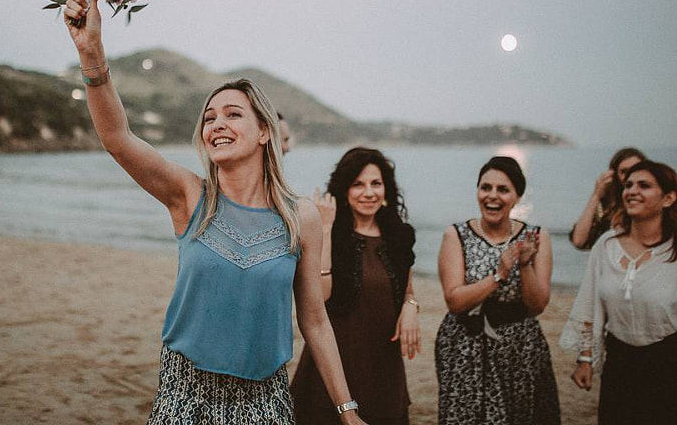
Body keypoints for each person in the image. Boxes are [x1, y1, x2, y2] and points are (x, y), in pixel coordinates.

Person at [63, 0, 367, 425]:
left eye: (233, 114)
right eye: (210, 117)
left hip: (265, 402)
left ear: (265, 132)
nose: (217, 124)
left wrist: (348, 410)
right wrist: (92, 54)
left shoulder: (299, 217)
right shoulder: (190, 197)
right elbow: (117, 138)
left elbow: (315, 321)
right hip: (186, 396)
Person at [290, 147, 419, 424]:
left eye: (376, 183)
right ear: (344, 190)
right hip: (337, 362)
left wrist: (411, 307)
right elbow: (321, 296)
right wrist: (325, 227)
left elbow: (407, 291)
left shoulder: (399, 234)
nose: (369, 193)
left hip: (384, 366)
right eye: (358, 184)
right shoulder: (330, 232)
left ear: (387, 188)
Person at [435, 156, 560, 425]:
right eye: (485, 187)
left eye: (503, 190)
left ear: (517, 197)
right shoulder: (456, 235)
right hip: (465, 346)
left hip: (520, 347)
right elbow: (455, 302)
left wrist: (525, 264)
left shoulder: (536, 237)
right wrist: (499, 274)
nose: (492, 196)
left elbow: (537, 305)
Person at [561, 160, 677, 425]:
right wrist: (585, 358)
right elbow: (590, 303)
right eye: (628, 185)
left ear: (668, 198)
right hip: (619, 363)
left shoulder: (674, 250)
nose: (632, 191)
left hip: (668, 362)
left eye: (644, 185)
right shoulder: (607, 245)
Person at [570, 148, 646, 249]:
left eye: (635, 169)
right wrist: (596, 194)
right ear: (615, 175)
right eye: (624, 171)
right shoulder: (608, 206)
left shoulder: (652, 201)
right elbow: (579, 241)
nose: (630, 176)